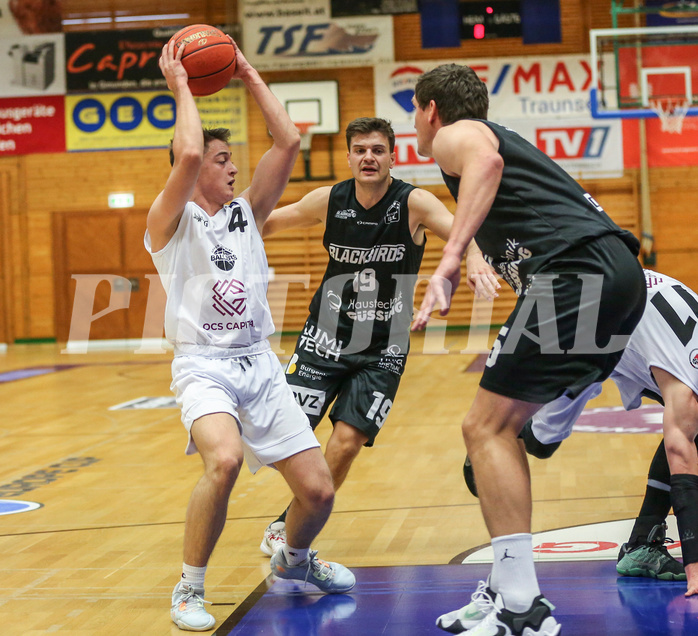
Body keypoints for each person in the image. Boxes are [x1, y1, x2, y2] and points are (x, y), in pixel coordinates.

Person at [410, 63, 647, 635]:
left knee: (483, 430)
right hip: (618, 278)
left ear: (431, 109)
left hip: (574, 277)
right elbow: (495, 179)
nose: (415, 126)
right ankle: (506, 592)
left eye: (414, 113)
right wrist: (474, 254)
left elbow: (484, 163)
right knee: (505, 434)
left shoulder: (453, 136)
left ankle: (522, 606)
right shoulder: (498, 143)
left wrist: (447, 261)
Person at [145, 38, 354, 632]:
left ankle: (295, 559)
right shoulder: (169, 221)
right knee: (226, 460)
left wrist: (244, 71)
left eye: (233, 158)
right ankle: (189, 588)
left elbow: (287, 140)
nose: (232, 166)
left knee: (317, 493)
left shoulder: (248, 212)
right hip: (202, 365)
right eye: (221, 159)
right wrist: (183, 84)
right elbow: (185, 154)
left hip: (259, 363)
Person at [257, 117, 501, 556]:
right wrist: (221, 230)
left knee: (347, 442)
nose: (368, 157)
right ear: (349, 156)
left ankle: (289, 520)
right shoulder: (329, 200)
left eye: (377, 149)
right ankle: (302, 503)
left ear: (393, 156)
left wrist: (477, 258)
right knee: (285, 436)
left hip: (384, 346)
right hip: (325, 336)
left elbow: (468, 229)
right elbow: (268, 222)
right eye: (360, 149)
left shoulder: (415, 203)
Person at [463, 268, 698, 596]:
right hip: (586, 324)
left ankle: (642, 545)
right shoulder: (687, 388)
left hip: (625, 314)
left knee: (689, 429)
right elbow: (680, 452)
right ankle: (495, 436)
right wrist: (695, 567)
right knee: (544, 442)